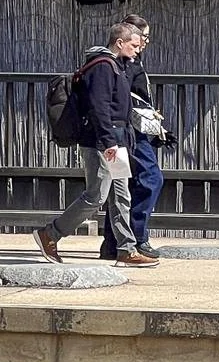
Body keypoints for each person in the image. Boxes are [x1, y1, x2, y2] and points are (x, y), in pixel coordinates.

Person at [35, 21, 159, 267]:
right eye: (134, 45)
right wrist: (108, 142)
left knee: (122, 196)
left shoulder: (118, 66)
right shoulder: (102, 66)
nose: (138, 50)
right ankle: (50, 234)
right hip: (101, 142)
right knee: (96, 195)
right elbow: (99, 107)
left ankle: (126, 250)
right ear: (120, 42)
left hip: (118, 140)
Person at [98, 12, 167, 260]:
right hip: (128, 130)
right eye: (141, 39)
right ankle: (136, 237)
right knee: (149, 178)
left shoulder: (133, 61)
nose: (144, 45)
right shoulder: (121, 62)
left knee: (123, 185)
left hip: (137, 127)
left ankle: (113, 243)